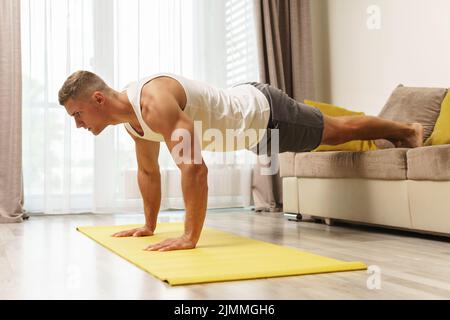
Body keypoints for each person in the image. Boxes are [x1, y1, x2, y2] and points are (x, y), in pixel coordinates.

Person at [58, 70, 423, 251]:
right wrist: (149, 226)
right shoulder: (134, 126)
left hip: (265, 115)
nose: (78, 125)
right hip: (250, 133)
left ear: (98, 100)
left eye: (77, 115)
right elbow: (148, 171)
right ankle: (395, 132)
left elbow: (194, 168)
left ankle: (406, 130)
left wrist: (189, 236)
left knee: (335, 130)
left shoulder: (153, 101)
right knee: (330, 129)